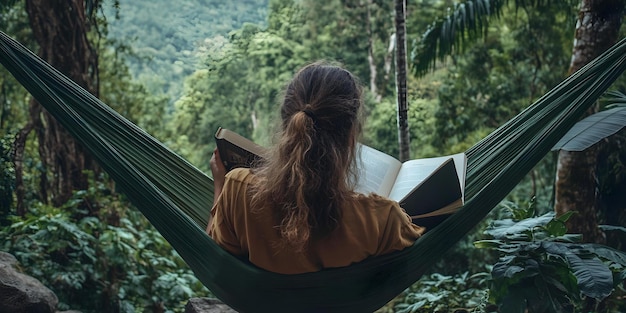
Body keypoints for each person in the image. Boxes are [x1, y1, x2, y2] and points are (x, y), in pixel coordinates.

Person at [207, 62, 424, 274]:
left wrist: (220, 184)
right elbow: (411, 253)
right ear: (351, 136)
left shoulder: (239, 190)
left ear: (286, 127)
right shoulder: (382, 219)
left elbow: (216, 257)